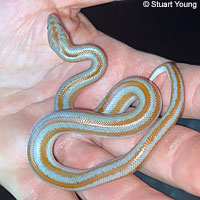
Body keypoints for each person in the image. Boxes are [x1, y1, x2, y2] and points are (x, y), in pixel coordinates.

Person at [0, 0, 200, 199]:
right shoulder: (93, 61)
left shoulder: (93, 62)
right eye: (53, 28)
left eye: (54, 27)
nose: (53, 23)